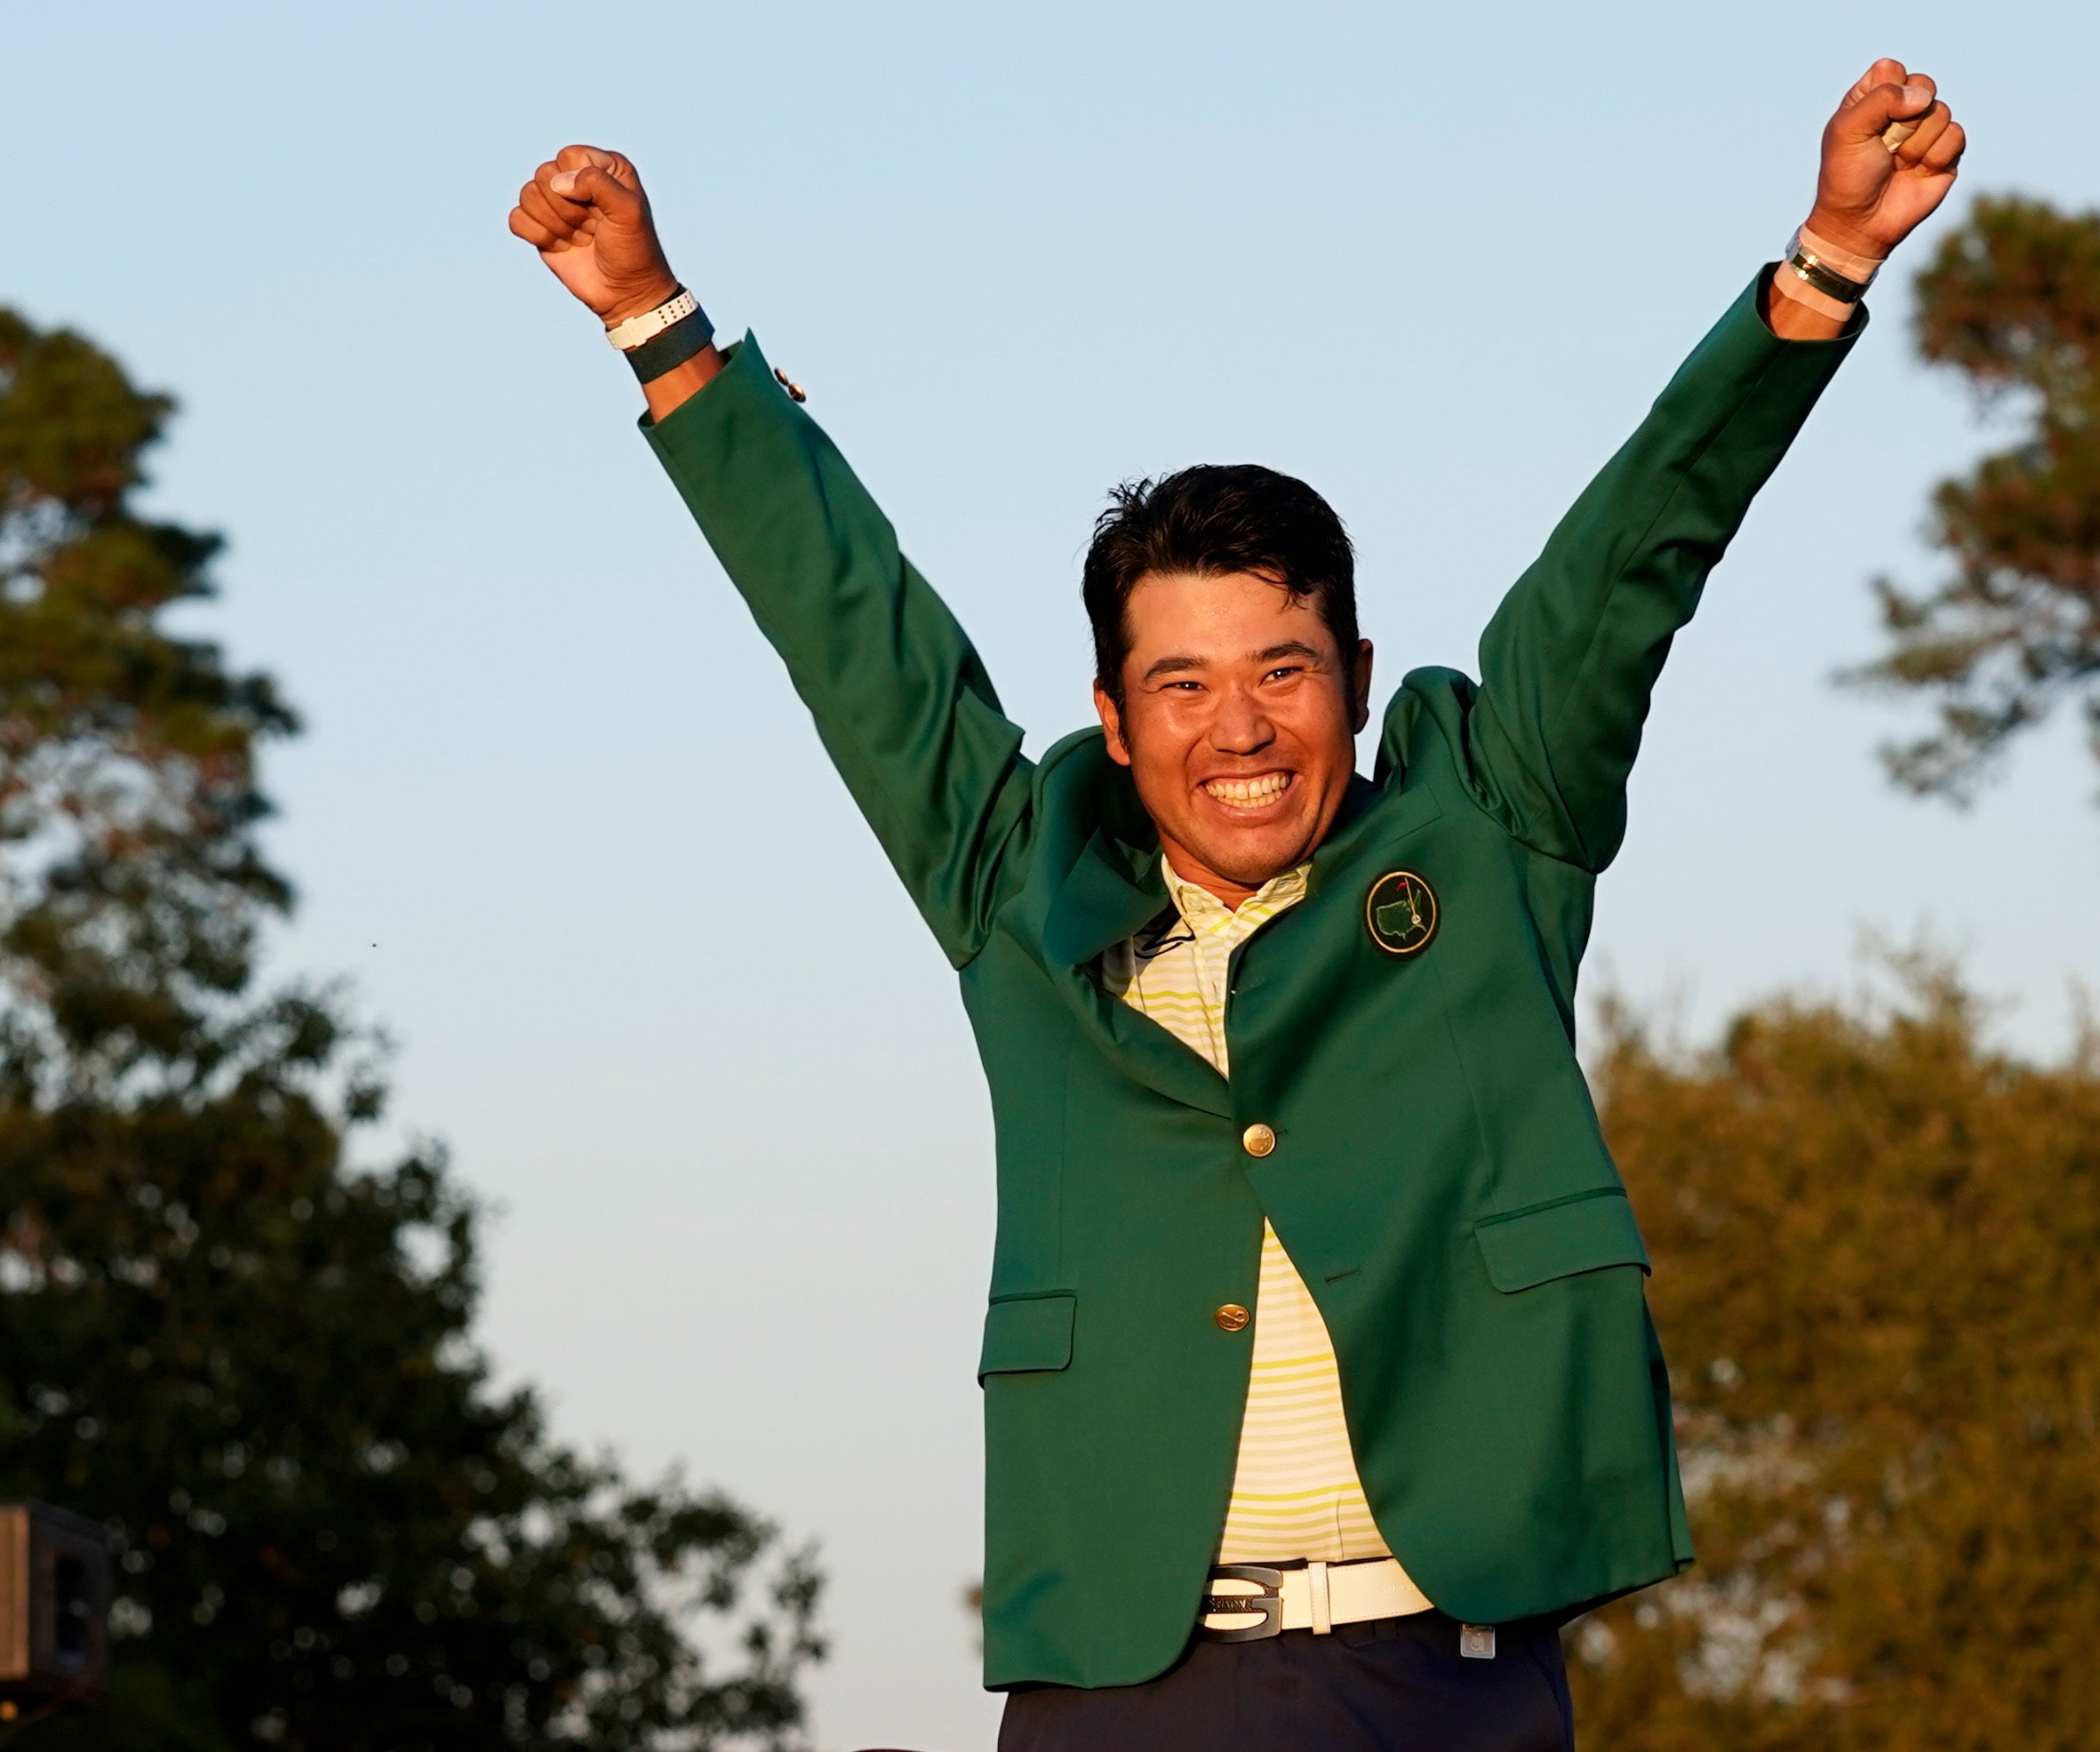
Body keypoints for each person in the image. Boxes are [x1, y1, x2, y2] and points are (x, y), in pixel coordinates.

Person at [509, 58, 1963, 1751]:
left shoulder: (1493, 831)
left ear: (1351, 677)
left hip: (1447, 1676)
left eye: (1283, 670)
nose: (1242, 730)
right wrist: (658, 327)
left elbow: (1638, 550)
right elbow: (855, 633)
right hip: (1129, 1681)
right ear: (1117, 726)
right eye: (1183, 687)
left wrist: (1825, 270)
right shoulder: (1013, 883)